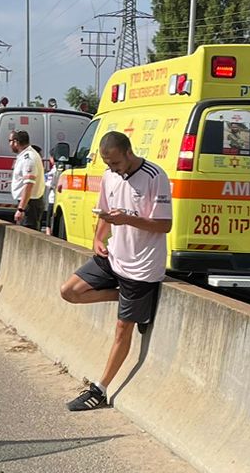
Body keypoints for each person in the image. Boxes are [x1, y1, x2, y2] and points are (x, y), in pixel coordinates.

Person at [60, 130, 170, 410]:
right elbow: (105, 212)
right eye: (108, 164)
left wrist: (128, 219)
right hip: (114, 256)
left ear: (129, 153)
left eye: (116, 163)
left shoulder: (155, 177)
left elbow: (163, 225)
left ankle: (100, 389)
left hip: (142, 266)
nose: (112, 169)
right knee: (69, 291)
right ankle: (123, 299)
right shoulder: (109, 177)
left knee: (122, 329)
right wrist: (99, 237)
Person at [9, 129, 45, 230]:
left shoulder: (28, 159)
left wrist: (21, 209)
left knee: (28, 234)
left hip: (30, 204)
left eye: (10, 141)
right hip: (28, 202)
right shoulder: (26, 155)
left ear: (16, 142)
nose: (10, 144)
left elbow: (29, 185)